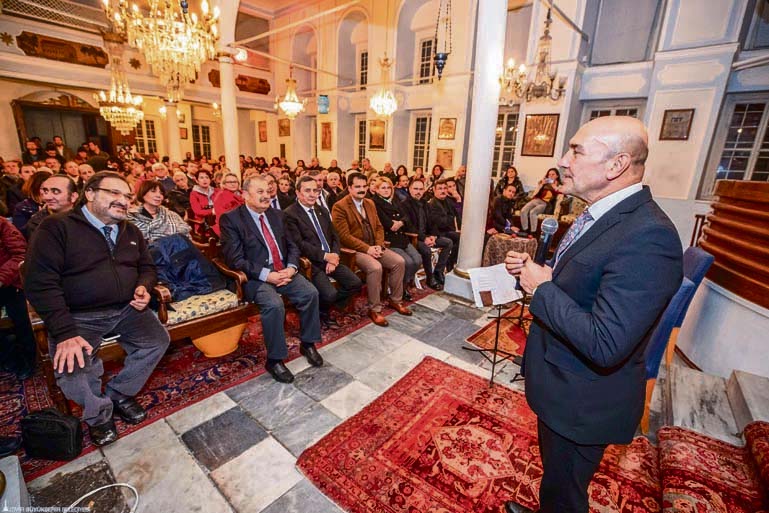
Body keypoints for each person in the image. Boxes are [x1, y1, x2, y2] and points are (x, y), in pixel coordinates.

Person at [502, 116, 683, 513]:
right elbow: (590, 287)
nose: (564, 160)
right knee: (557, 480)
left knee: (567, 494)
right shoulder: (602, 215)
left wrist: (542, 288)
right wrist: (548, 277)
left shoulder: (648, 235)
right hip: (563, 385)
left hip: (583, 400)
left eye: (577, 151)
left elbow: (606, 342)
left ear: (615, 164)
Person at [25, 171, 170, 446]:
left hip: (127, 309)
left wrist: (143, 286)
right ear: (89, 194)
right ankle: (99, 415)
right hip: (79, 315)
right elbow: (40, 284)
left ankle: (118, 394)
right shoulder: (57, 228)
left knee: (157, 340)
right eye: (113, 193)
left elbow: (147, 268)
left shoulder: (130, 230)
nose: (123, 201)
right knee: (73, 367)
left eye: (127, 196)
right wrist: (65, 333)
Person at [219, 175, 323, 383]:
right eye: (260, 192)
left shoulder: (277, 215)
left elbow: (293, 246)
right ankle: (275, 359)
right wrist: (268, 275)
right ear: (245, 195)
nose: (266, 196)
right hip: (255, 276)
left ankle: (308, 343)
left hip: (284, 270)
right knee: (274, 305)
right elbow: (235, 259)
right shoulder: (231, 219)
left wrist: (292, 268)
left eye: (268, 191)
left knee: (311, 293)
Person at [331, 172, 412, 327]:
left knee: (399, 261)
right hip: (355, 250)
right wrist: (368, 249)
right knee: (376, 267)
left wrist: (380, 245)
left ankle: (395, 300)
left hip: (375, 246)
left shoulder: (370, 203)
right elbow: (344, 236)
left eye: (364, 186)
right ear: (349, 188)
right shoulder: (339, 206)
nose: (362, 189)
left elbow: (379, 227)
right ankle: (375, 309)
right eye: (357, 186)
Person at [285, 176, 362, 326]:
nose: (312, 194)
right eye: (307, 190)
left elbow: (335, 236)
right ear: (298, 193)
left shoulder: (322, 210)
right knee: (330, 293)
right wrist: (326, 256)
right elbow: (299, 244)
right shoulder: (290, 214)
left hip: (331, 258)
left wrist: (335, 256)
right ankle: (323, 312)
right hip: (311, 262)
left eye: (315, 190)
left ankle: (325, 307)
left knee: (355, 283)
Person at [372, 178, 421, 301]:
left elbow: (406, 217)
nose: (386, 190)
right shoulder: (374, 203)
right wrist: (398, 223)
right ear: (377, 189)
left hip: (402, 237)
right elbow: (387, 223)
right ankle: (399, 289)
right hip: (389, 240)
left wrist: (400, 222)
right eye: (383, 188)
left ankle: (403, 285)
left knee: (417, 259)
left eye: (388, 187)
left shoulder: (395, 200)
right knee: (408, 262)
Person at [26, 174, 79, 240]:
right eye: (45, 191)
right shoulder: (36, 223)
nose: (47, 197)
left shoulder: (87, 218)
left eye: (55, 192)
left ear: (73, 196)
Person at [427, 178, 460, 274]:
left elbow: (456, 216)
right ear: (434, 190)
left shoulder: (448, 201)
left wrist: (458, 200)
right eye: (440, 188)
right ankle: (441, 269)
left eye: (445, 188)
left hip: (447, 231)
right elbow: (441, 223)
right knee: (450, 241)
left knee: (463, 238)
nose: (443, 191)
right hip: (437, 233)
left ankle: (450, 261)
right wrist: (450, 217)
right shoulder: (432, 204)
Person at [519, 167, 563, 235]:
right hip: (536, 200)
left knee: (533, 212)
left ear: (557, 176)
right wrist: (541, 185)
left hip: (545, 204)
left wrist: (554, 187)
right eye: (549, 174)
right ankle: (525, 230)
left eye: (553, 174)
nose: (550, 176)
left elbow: (560, 198)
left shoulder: (559, 186)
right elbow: (534, 194)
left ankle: (533, 233)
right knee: (523, 211)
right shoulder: (543, 183)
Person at [12, 169, 51, 238]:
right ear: (35, 188)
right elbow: (22, 234)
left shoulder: (60, 205)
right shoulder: (23, 208)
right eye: (44, 189)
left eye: (53, 189)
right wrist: (39, 217)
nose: (49, 192)